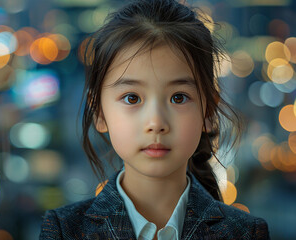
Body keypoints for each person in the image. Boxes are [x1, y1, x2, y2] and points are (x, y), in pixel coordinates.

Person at [39, 0, 270, 239]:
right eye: (132, 98)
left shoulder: (245, 233)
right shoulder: (65, 230)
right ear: (99, 112)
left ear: (208, 111)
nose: (156, 122)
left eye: (179, 98)